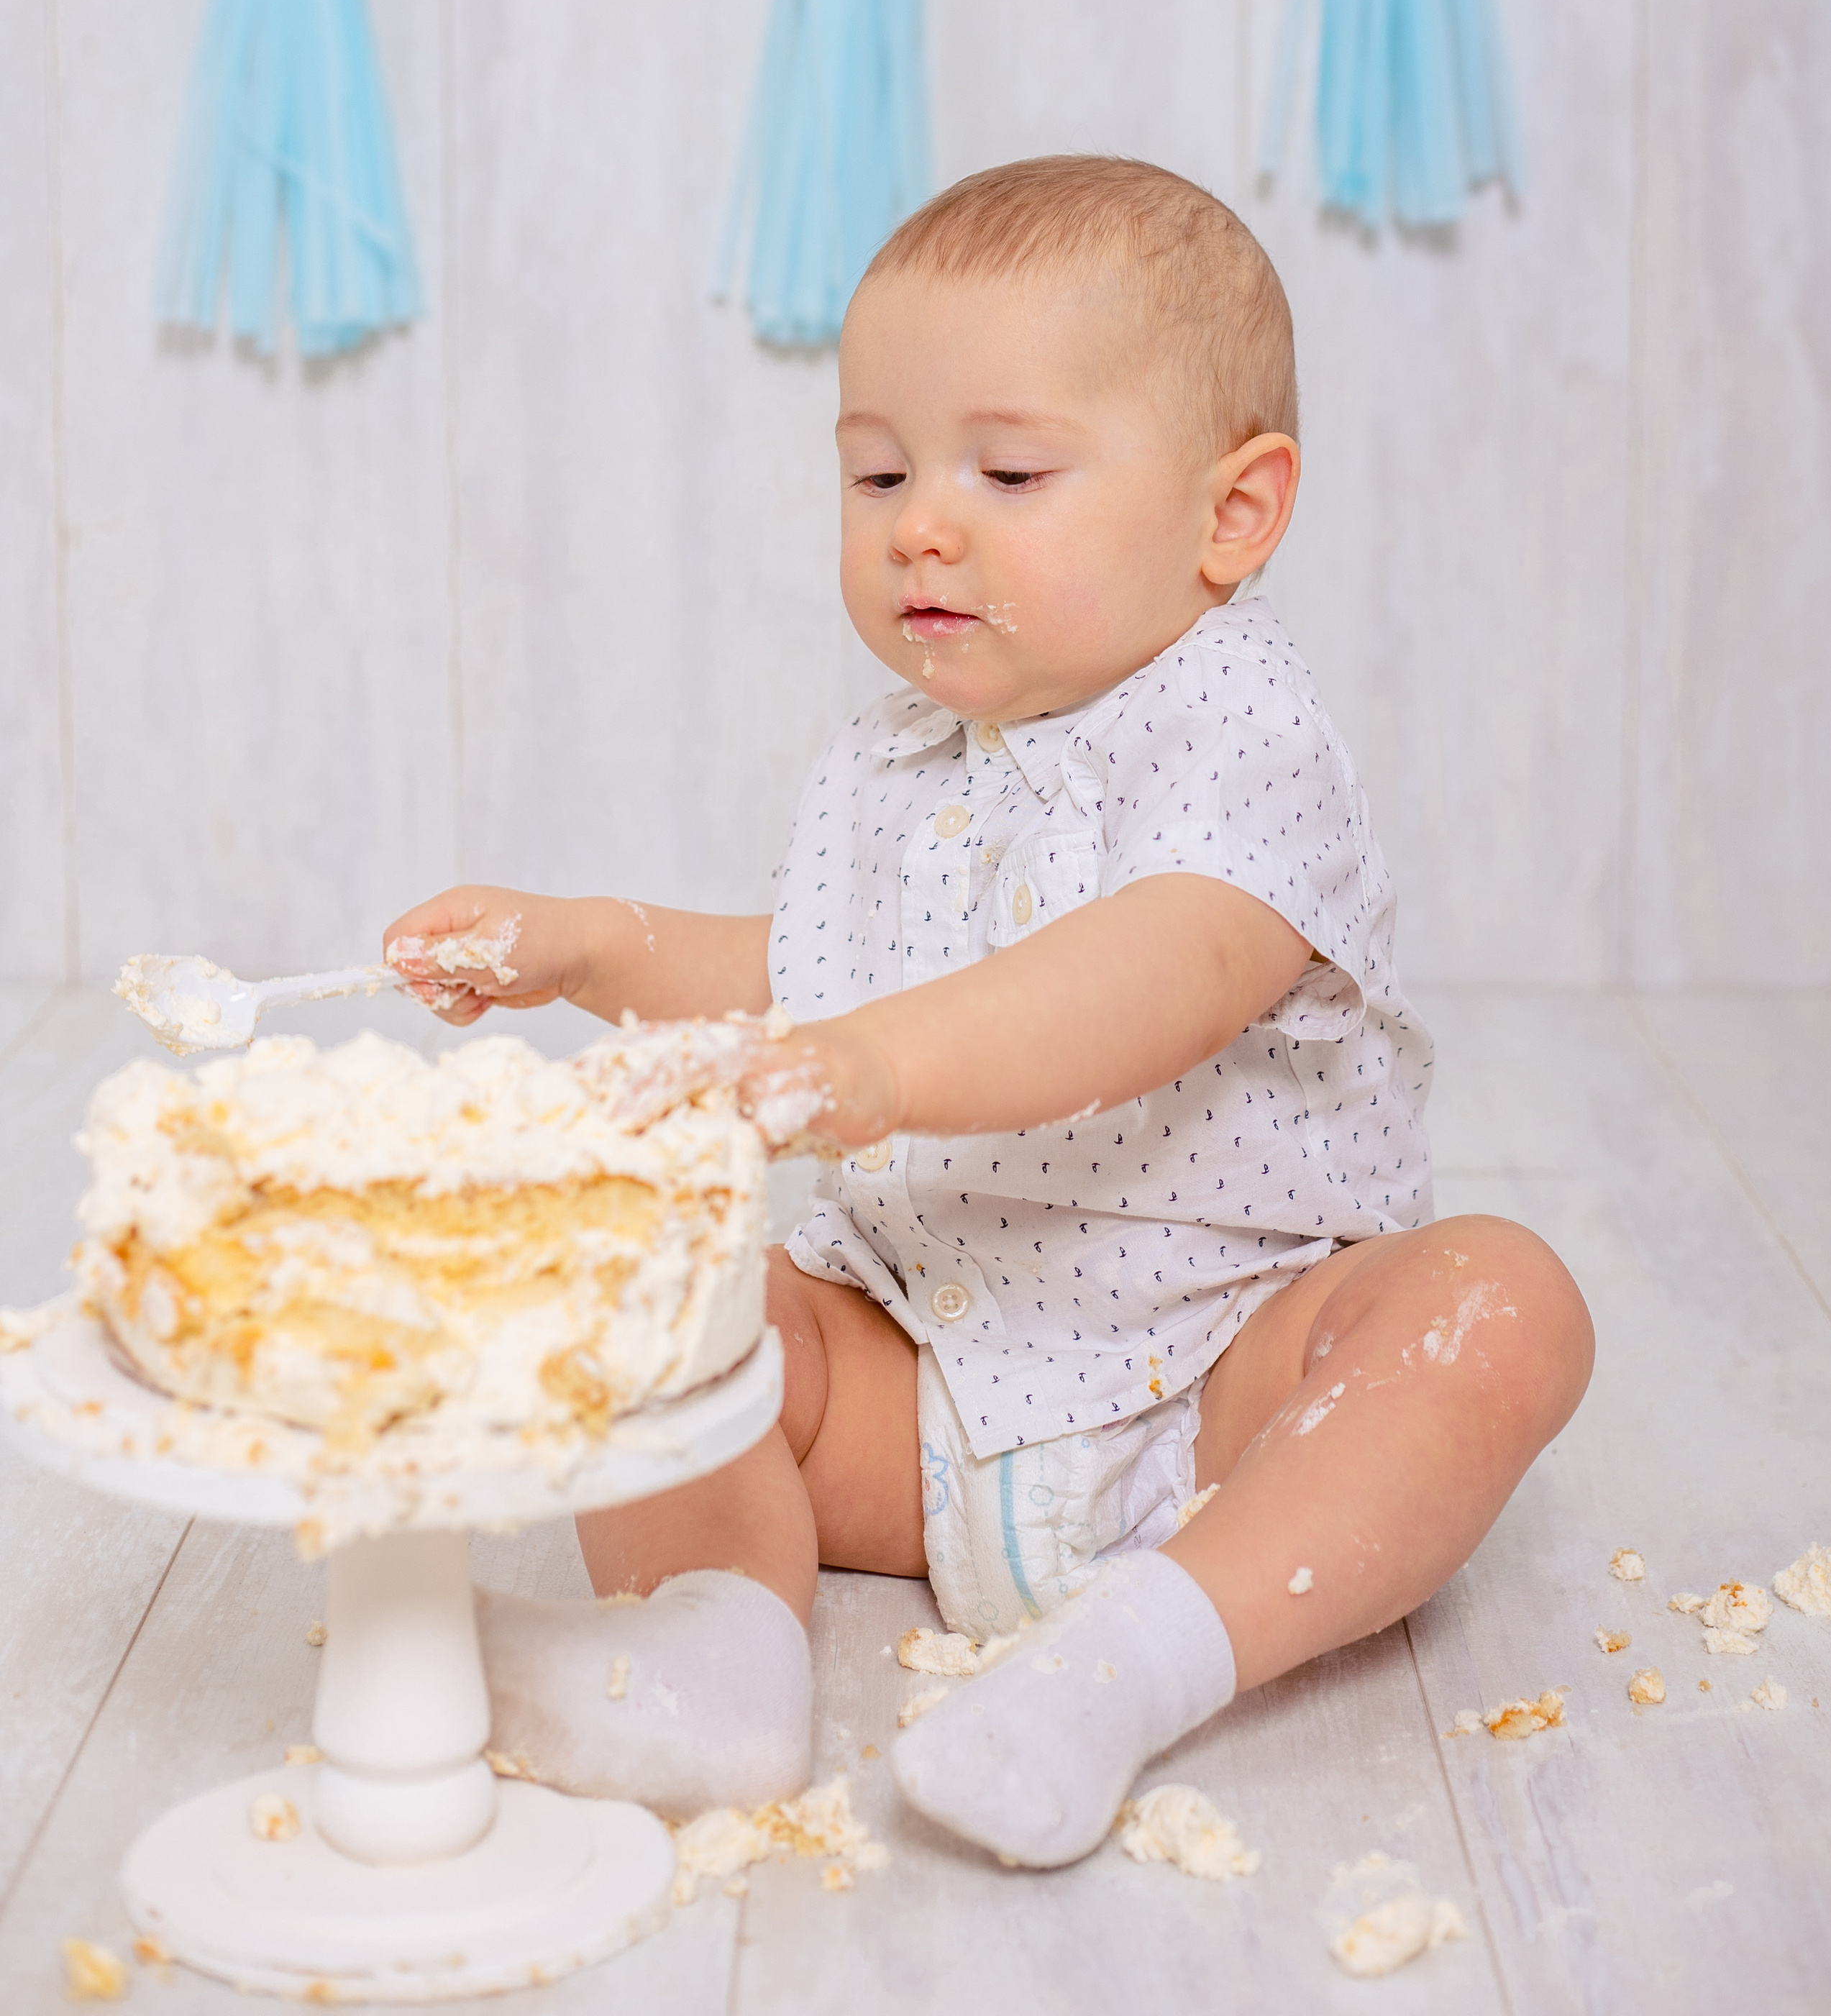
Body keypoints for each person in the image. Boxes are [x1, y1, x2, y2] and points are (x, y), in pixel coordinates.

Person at [385, 155, 1593, 1869]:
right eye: (876, 471)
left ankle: (1133, 1661)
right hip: (926, 1388)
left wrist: (874, 1067)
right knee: (668, 1281)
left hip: (1225, 1394)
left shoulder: (1240, 740)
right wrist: (589, 947)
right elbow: (806, 980)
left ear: (1230, 515)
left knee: (1500, 1304)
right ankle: (714, 1650)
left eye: (1006, 471)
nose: (918, 523)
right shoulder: (896, 762)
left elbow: (1155, 976)